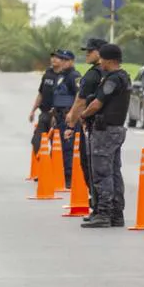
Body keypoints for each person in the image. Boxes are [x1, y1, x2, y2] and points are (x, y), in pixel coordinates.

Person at [79, 43, 131, 229]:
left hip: (105, 131)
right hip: (114, 130)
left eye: (102, 58)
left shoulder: (112, 79)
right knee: (114, 172)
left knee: (102, 172)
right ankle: (116, 213)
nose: (99, 61)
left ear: (109, 60)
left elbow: (97, 104)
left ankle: (104, 213)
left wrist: (83, 115)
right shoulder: (122, 77)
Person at [66, 38, 106, 217]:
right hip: (106, 126)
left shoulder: (92, 75)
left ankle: (99, 205)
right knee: (107, 169)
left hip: (93, 126)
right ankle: (107, 206)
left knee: (91, 166)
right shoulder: (109, 73)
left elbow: (81, 100)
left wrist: (72, 121)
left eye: (90, 51)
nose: (87, 54)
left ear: (99, 52)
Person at [51, 49, 80, 188]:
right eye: (61, 59)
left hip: (68, 115)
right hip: (59, 115)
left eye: (65, 60)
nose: (62, 62)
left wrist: (72, 113)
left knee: (68, 147)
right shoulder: (61, 76)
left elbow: (79, 96)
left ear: (71, 61)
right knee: (60, 147)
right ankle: (61, 174)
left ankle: (69, 177)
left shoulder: (74, 76)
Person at [29, 52, 62, 157]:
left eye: (57, 58)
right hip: (45, 114)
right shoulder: (48, 74)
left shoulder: (66, 76)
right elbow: (41, 94)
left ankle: (53, 169)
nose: (54, 59)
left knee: (56, 145)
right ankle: (42, 167)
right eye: (53, 57)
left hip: (58, 115)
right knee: (36, 142)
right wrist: (33, 111)